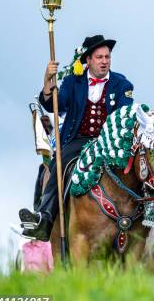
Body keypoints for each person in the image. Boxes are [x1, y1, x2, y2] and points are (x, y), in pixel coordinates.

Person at [19, 35, 134, 241]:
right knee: (60, 164)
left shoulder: (122, 83)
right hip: (78, 140)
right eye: (99, 57)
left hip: (108, 142)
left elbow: (125, 113)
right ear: (88, 60)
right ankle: (45, 217)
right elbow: (56, 105)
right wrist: (47, 81)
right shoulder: (73, 82)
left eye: (107, 57)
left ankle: (148, 215)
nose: (104, 61)